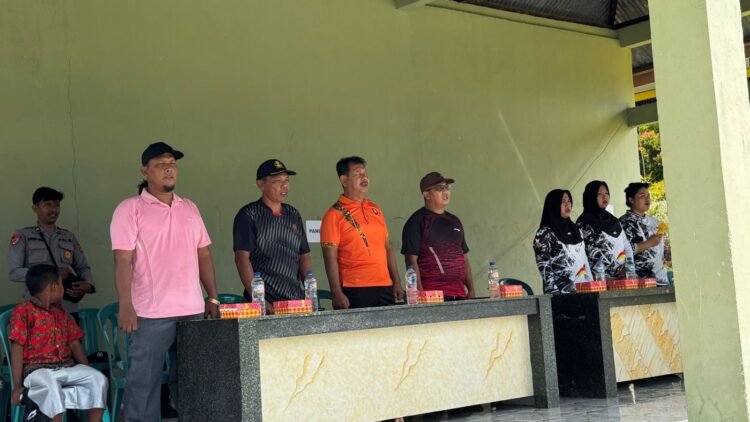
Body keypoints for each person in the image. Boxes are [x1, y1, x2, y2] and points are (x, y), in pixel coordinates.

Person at [110, 141, 220, 422]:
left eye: (172, 163)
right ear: (144, 170)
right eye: (160, 164)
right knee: (144, 384)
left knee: (192, 381)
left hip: (192, 310)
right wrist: (126, 305)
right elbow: (122, 260)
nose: (169, 169)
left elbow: (204, 255)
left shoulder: (189, 207)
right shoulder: (130, 209)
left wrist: (212, 297)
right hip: (150, 313)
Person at [9, 264, 107, 422]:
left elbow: (74, 343)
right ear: (53, 287)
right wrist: (17, 385)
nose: (64, 288)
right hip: (37, 371)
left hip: (65, 368)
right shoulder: (24, 310)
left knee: (98, 379)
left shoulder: (61, 312)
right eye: (62, 284)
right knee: (51, 384)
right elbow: (17, 346)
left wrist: (86, 369)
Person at [320, 156, 404, 309]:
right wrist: (336, 292)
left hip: (385, 285)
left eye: (365, 173)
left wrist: (397, 282)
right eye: (357, 174)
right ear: (344, 180)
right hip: (355, 288)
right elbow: (329, 256)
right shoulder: (333, 215)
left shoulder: (376, 209)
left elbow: (388, 248)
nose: (364, 177)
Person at [233, 159, 312, 313]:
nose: (284, 186)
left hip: (294, 302)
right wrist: (262, 302)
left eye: (286, 180)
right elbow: (242, 259)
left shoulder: (293, 214)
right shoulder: (249, 215)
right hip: (264, 304)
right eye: (277, 181)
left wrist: (309, 294)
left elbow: (304, 255)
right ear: (261, 184)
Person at [8, 187, 96, 317]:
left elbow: (82, 267)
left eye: (56, 205)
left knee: (73, 331)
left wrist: (88, 285)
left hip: (68, 309)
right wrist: (52, 273)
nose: (53, 209)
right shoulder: (23, 236)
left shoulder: (68, 237)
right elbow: (14, 273)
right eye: (48, 205)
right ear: (35, 208)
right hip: (37, 309)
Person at [401, 172, 474, 300]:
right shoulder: (416, 221)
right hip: (432, 297)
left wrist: (471, 289)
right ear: (426, 194)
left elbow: (464, 258)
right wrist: (419, 293)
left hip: (459, 294)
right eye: (440, 188)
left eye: (447, 187)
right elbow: (411, 260)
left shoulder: (455, 221)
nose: (446, 192)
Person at [533, 189, 592, 294]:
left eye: (569, 201)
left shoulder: (576, 230)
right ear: (553, 205)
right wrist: (556, 293)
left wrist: (591, 283)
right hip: (560, 294)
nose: (567, 204)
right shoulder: (545, 233)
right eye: (562, 201)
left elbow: (584, 260)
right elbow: (544, 266)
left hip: (583, 290)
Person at [576, 181, 634, 279]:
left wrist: (628, 269)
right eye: (599, 194)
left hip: (621, 279)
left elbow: (627, 246)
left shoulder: (613, 220)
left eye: (607, 193)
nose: (604, 197)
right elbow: (583, 256)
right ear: (591, 197)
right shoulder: (584, 223)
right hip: (598, 280)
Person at [619, 182, 668, 285]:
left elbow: (661, 250)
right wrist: (649, 243)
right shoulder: (622, 223)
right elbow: (622, 252)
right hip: (638, 281)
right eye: (642, 196)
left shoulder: (655, 222)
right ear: (631, 200)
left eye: (648, 195)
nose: (647, 199)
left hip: (661, 279)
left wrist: (667, 253)